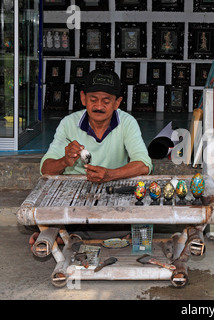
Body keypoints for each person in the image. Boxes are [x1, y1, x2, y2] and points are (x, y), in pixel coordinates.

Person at [29, 69, 153, 246]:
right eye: (93, 99)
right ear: (83, 98)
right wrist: (65, 161)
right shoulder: (68, 123)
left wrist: (109, 175)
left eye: (106, 101)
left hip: (113, 189)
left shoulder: (127, 123)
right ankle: (92, 234)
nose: (99, 106)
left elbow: (144, 165)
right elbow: (46, 170)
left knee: (139, 209)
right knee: (36, 211)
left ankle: (70, 235)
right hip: (76, 195)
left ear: (117, 103)